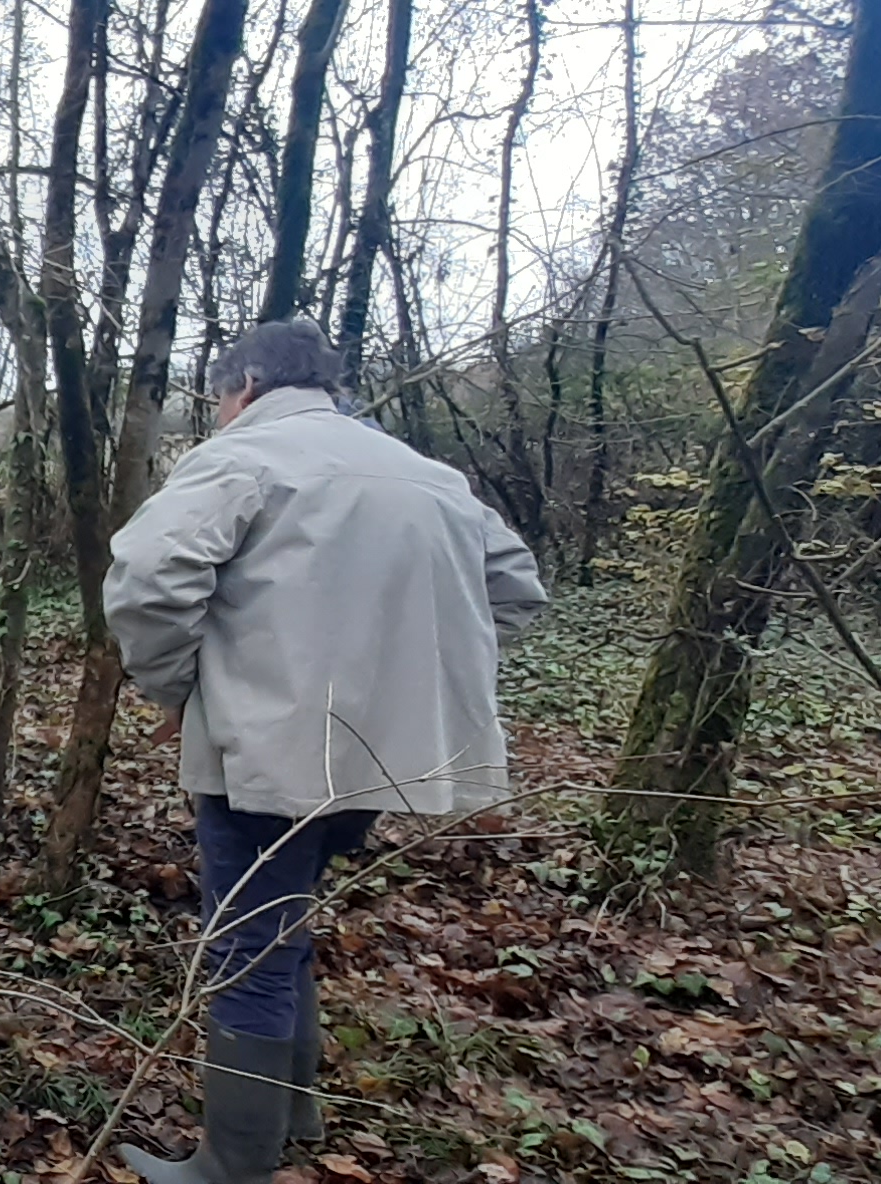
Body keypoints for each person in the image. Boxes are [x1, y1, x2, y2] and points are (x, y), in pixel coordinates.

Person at [101, 319, 547, 1184]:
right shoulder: (426, 473)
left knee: (247, 946)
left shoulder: (244, 456)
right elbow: (515, 591)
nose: (223, 414)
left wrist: (179, 688)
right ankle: (292, 1114)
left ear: (250, 384)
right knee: (286, 916)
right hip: (379, 756)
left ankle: (233, 1165)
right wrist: (404, 675)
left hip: (263, 749)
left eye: (223, 397)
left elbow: (150, 581)